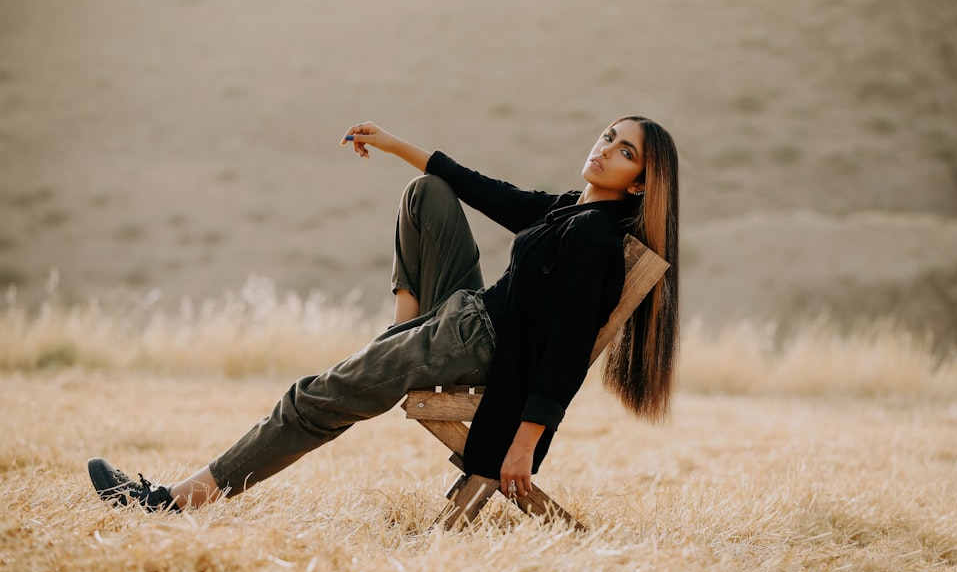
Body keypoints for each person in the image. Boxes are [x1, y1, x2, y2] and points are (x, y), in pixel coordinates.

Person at [88, 116, 680, 512]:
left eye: (625, 152)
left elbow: (567, 351)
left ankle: (179, 498)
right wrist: (397, 145)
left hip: (478, 340)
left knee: (317, 394)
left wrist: (526, 443)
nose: (604, 150)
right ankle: (400, 333)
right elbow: (481, 188)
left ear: (639, 184)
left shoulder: (593, 242)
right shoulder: (567, 211)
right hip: (464, 312)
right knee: (428, 193)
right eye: (608, 136)